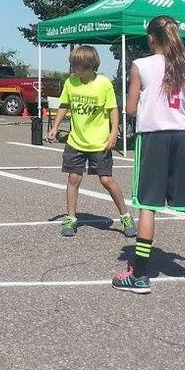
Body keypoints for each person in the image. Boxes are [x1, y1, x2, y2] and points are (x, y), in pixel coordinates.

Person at [113, 15, 185, 293]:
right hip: (181, 137)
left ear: (151, 38)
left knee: (148, 203)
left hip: (153, 138)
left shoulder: (141, 65)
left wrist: (144, 100)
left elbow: (131, 108)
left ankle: (141, 274)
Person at [45, 45, 137, 239]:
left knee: (106, 180)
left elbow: (113, 109)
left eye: (75, 65)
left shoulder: (103, 83)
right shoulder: (71, 82)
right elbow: (64, 105)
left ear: (87, 65)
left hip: (99, 142)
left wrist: (113, 133)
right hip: (76, 141)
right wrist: (54, 126)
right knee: (73, 178)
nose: (72, 68)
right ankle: (71, 218)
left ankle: (126, 216)